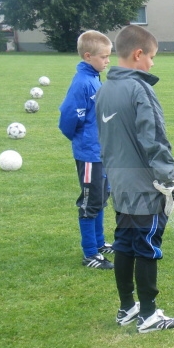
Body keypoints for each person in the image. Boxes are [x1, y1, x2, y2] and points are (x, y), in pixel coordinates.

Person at [95, 25, 174, 333]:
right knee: (146, 245)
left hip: (119, 183)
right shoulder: (140, 89)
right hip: (144, 184)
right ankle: (148, 315)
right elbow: (154, 138)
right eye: (152, 57)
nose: (153, 63)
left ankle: (126, 308)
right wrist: (167, 181)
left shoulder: (104, 89)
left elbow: (104, 140)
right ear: (138, 54)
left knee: (124, 243)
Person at [58, 30, 115, 269]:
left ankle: (99, 244)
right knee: (90, 202)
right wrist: (82, 140)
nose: (108, 61)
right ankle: (90, 254)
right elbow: (68, 117)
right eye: (104, 57)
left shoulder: (94, 78)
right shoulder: (82, 82)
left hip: (100, 152)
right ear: (88, 56)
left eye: (109, 56)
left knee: (100, 198)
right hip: (90, 154)